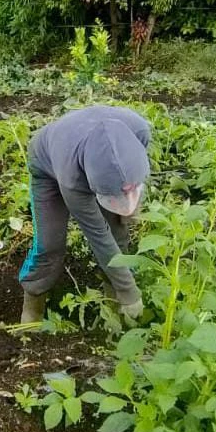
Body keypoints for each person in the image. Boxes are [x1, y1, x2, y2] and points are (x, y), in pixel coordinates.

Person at [18, 105, 151, 324]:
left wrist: (129, 211)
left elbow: (132, 172)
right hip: (48, 164)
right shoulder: (70, 177)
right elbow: (96, 233)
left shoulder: (139, 130)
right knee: (50, 244)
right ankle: (32, 311)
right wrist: (130, 292)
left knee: (118, 232)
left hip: (88, 158)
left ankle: (113, 309)